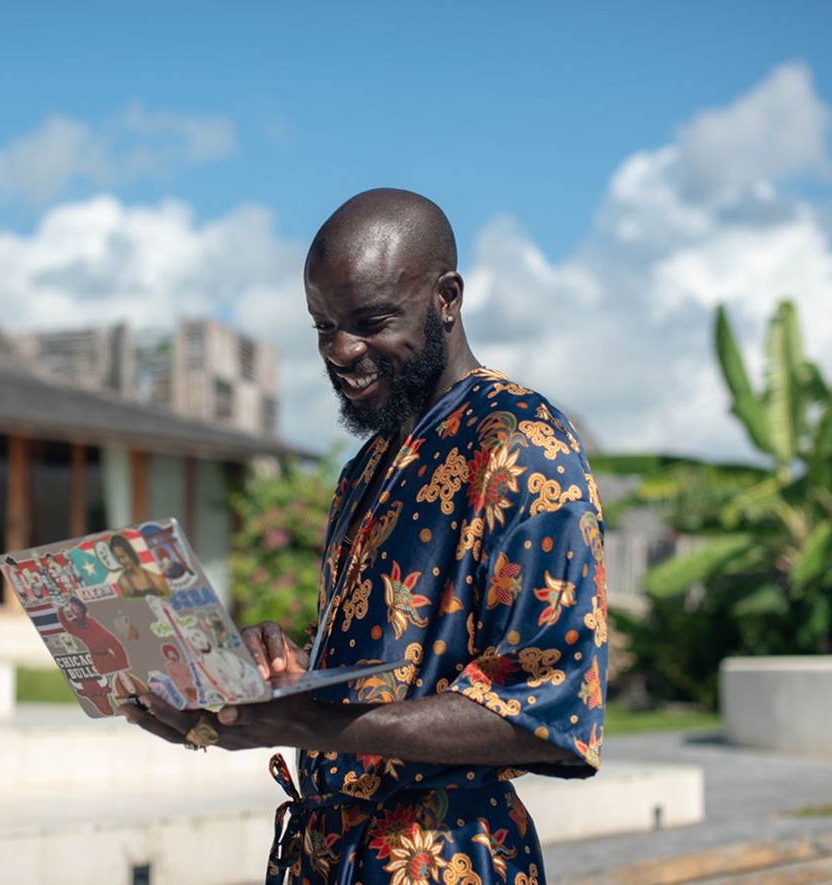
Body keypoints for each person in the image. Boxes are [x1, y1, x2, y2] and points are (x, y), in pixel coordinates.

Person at [122, 188, 607, 885]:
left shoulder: (522, 446)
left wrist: (307, 722)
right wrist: (278, 677)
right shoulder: (366, 467)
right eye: (323, 325)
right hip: (326, 857)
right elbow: (390, 676)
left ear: (447, 298)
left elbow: (551, 712)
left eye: (370, 321)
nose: (341, 350)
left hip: (445, 861)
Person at [108, 533, 171, 597]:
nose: (121, 561)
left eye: (123, 556)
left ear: (130, 553)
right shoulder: (123, 582)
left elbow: (170, 598)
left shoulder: (154, 578)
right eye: (118, 558)